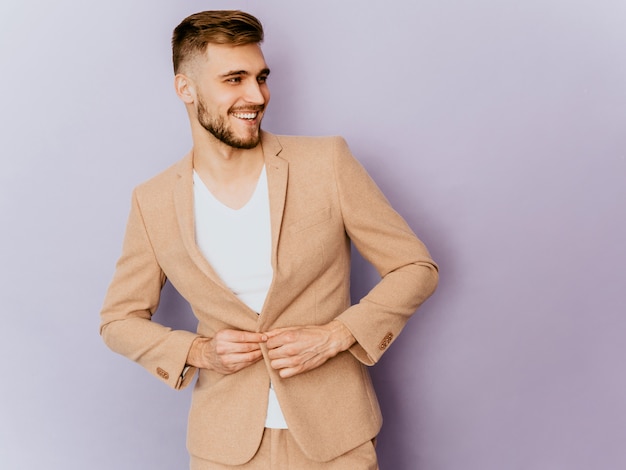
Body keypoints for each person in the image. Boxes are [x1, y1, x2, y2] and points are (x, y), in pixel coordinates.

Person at [100, 9, 438, 470]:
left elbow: (415, 267)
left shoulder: (326, 163)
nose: (256, 95)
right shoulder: (152, 201)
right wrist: (199, 352)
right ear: (186, 88)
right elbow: (117, 320)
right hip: (224, 445)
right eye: (234, 79)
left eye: (261, 77)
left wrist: (337, 335)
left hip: (337, 436)